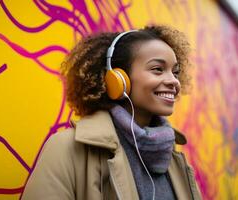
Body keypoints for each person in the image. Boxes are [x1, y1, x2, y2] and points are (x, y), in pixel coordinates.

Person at [21, 25, 202, 200]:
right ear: (118, 79)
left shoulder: (175, 159)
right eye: (157, 69)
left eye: (175, 72)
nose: (173, 81)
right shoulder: (66, 148)